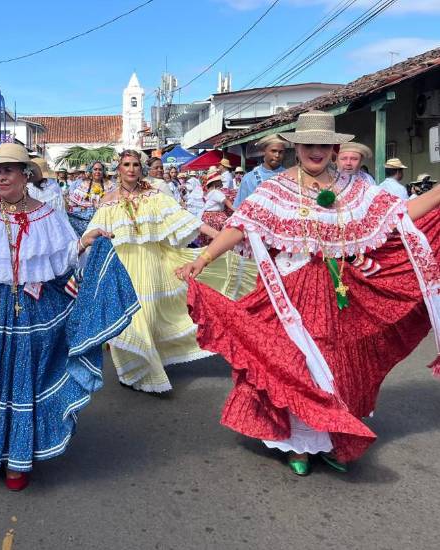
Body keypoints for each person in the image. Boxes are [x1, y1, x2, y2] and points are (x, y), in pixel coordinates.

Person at [177, 110, 440, 476]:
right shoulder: (275, 189)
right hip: (290, 289)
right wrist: (202, 259)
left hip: (339, 290)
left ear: (334, 148)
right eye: (308, 145)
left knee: (336, 362)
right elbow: (241, 225)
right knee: (296, 364)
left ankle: (329, 437)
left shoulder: (356, 187)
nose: (316, 151)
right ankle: (300, 443)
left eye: (323, 145)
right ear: (296, 148)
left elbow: (401, 215)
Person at [0, 143, 138, 490]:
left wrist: (86, 242)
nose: (1, 177)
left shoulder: (48, 213)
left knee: (25, 380)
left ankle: (17, 459)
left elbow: (64, 256)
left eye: (8, 170)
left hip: (33, 309)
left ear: (26, 174)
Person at [86, 149, 256, 394]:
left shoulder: (155, 195)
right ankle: (133, 371)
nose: (131, 168)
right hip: (122, 266)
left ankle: (148, 365)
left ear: (141, 168)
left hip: (154, 262)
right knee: (131, 320)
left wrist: (221, 239)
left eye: (135, 164)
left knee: (151, 315)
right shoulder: (107, 200)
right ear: (119, 168)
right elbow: (92, 233)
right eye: (126, 164)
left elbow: (187, 220)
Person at [233, 134, 287, 208]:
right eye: (273, 151)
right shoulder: (249, 178)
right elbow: (239, 207)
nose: (277, 155)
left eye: (281, 152)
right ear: (264, 151)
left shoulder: (290, 176)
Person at [66, 161, 109, 236]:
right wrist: (82, 208)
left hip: (105, 220)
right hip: (86, 221)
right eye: (95, 169)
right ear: (91, 171)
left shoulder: (110, 185)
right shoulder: (84, 185)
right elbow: (72, 203)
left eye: (100, 169)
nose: (97, 172)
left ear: (103, 171)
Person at [198, 174, 234, 247]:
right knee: (221, 237)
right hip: (214, 217)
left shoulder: (211, 192)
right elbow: (226, 201)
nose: (222, 182)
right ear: (215, 182)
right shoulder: (216, 192)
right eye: (220, 181)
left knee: (210, 241)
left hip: (207, 216)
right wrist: (236, 211)